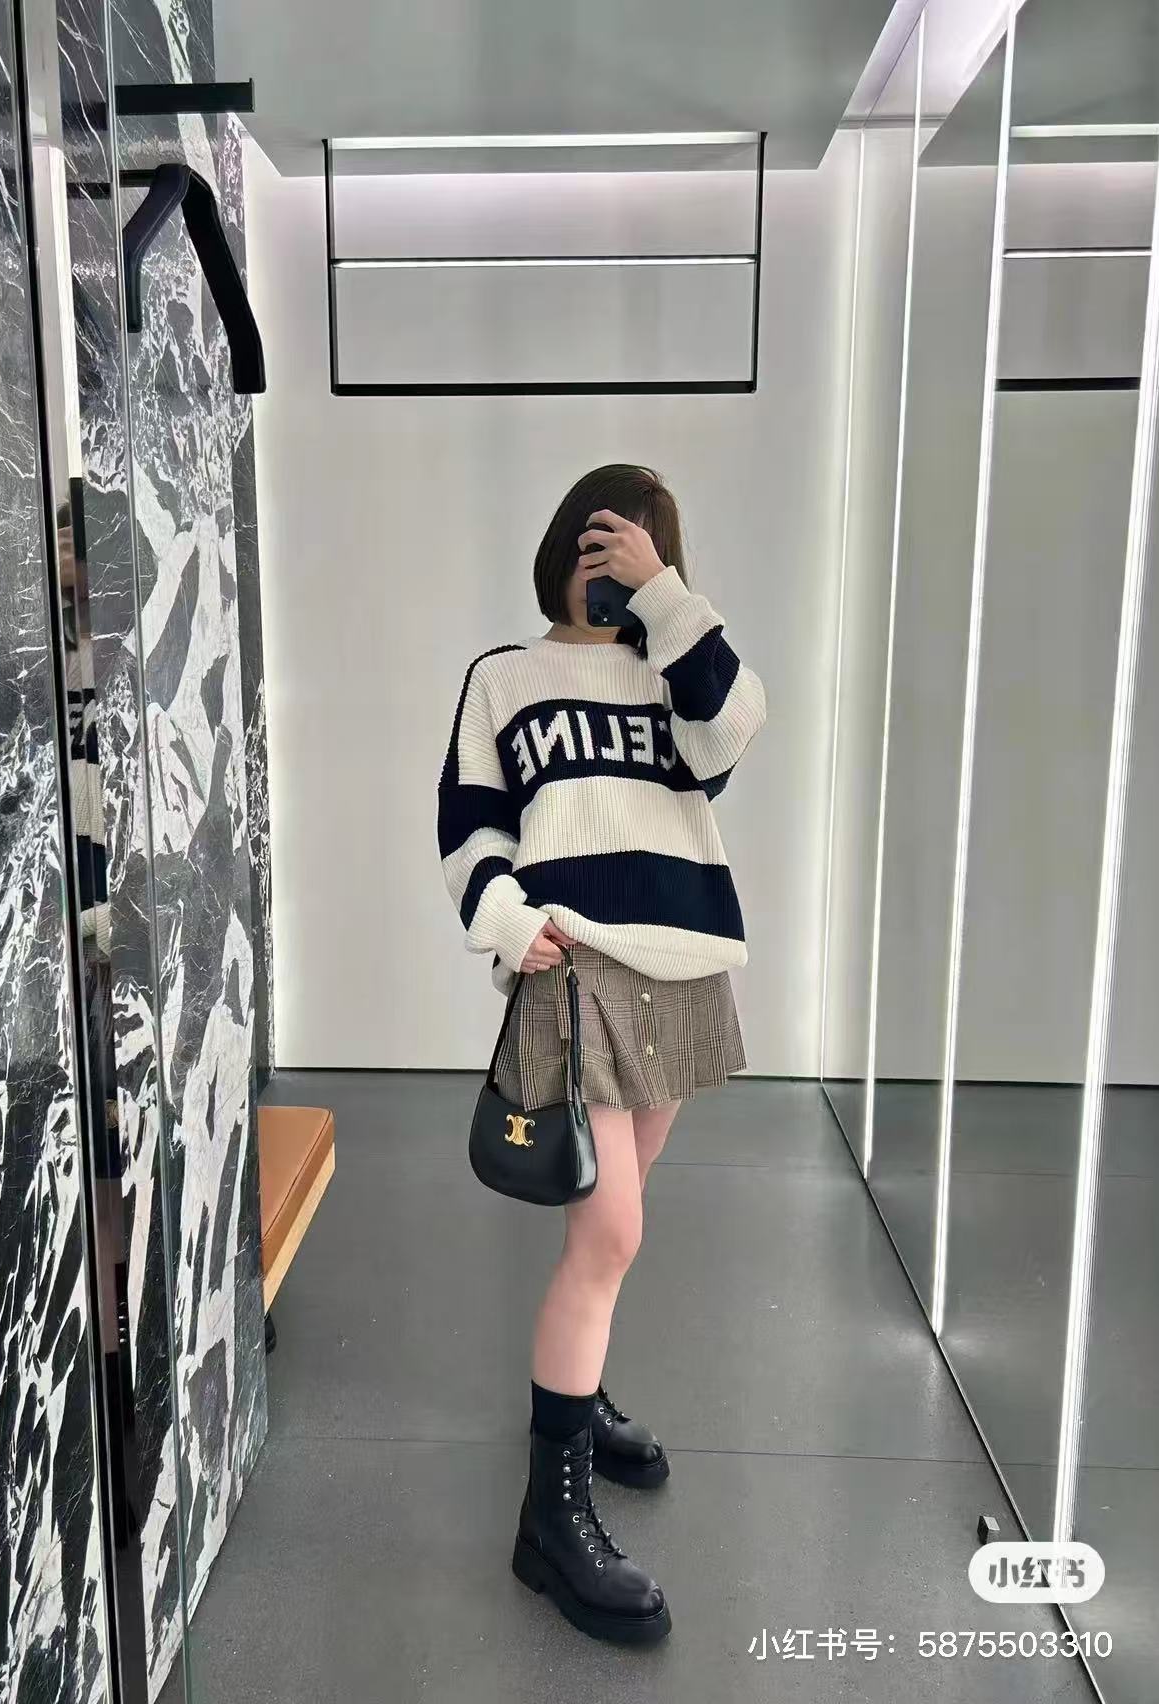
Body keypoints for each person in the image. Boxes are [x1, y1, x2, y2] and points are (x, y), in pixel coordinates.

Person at [437, 463, 766, 1644]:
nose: (607, 562)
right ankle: (550, 1520)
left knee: (614, 1224)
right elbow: (469, 822)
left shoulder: (676, 670)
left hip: (683, 965)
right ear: (558, 548)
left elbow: (732, 731)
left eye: (631, 545)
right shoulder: (505, 676)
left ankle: (583, 1389)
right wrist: (505, 918)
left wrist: (664, 596)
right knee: (610, 1229)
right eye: (593, 541)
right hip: (573, 966)